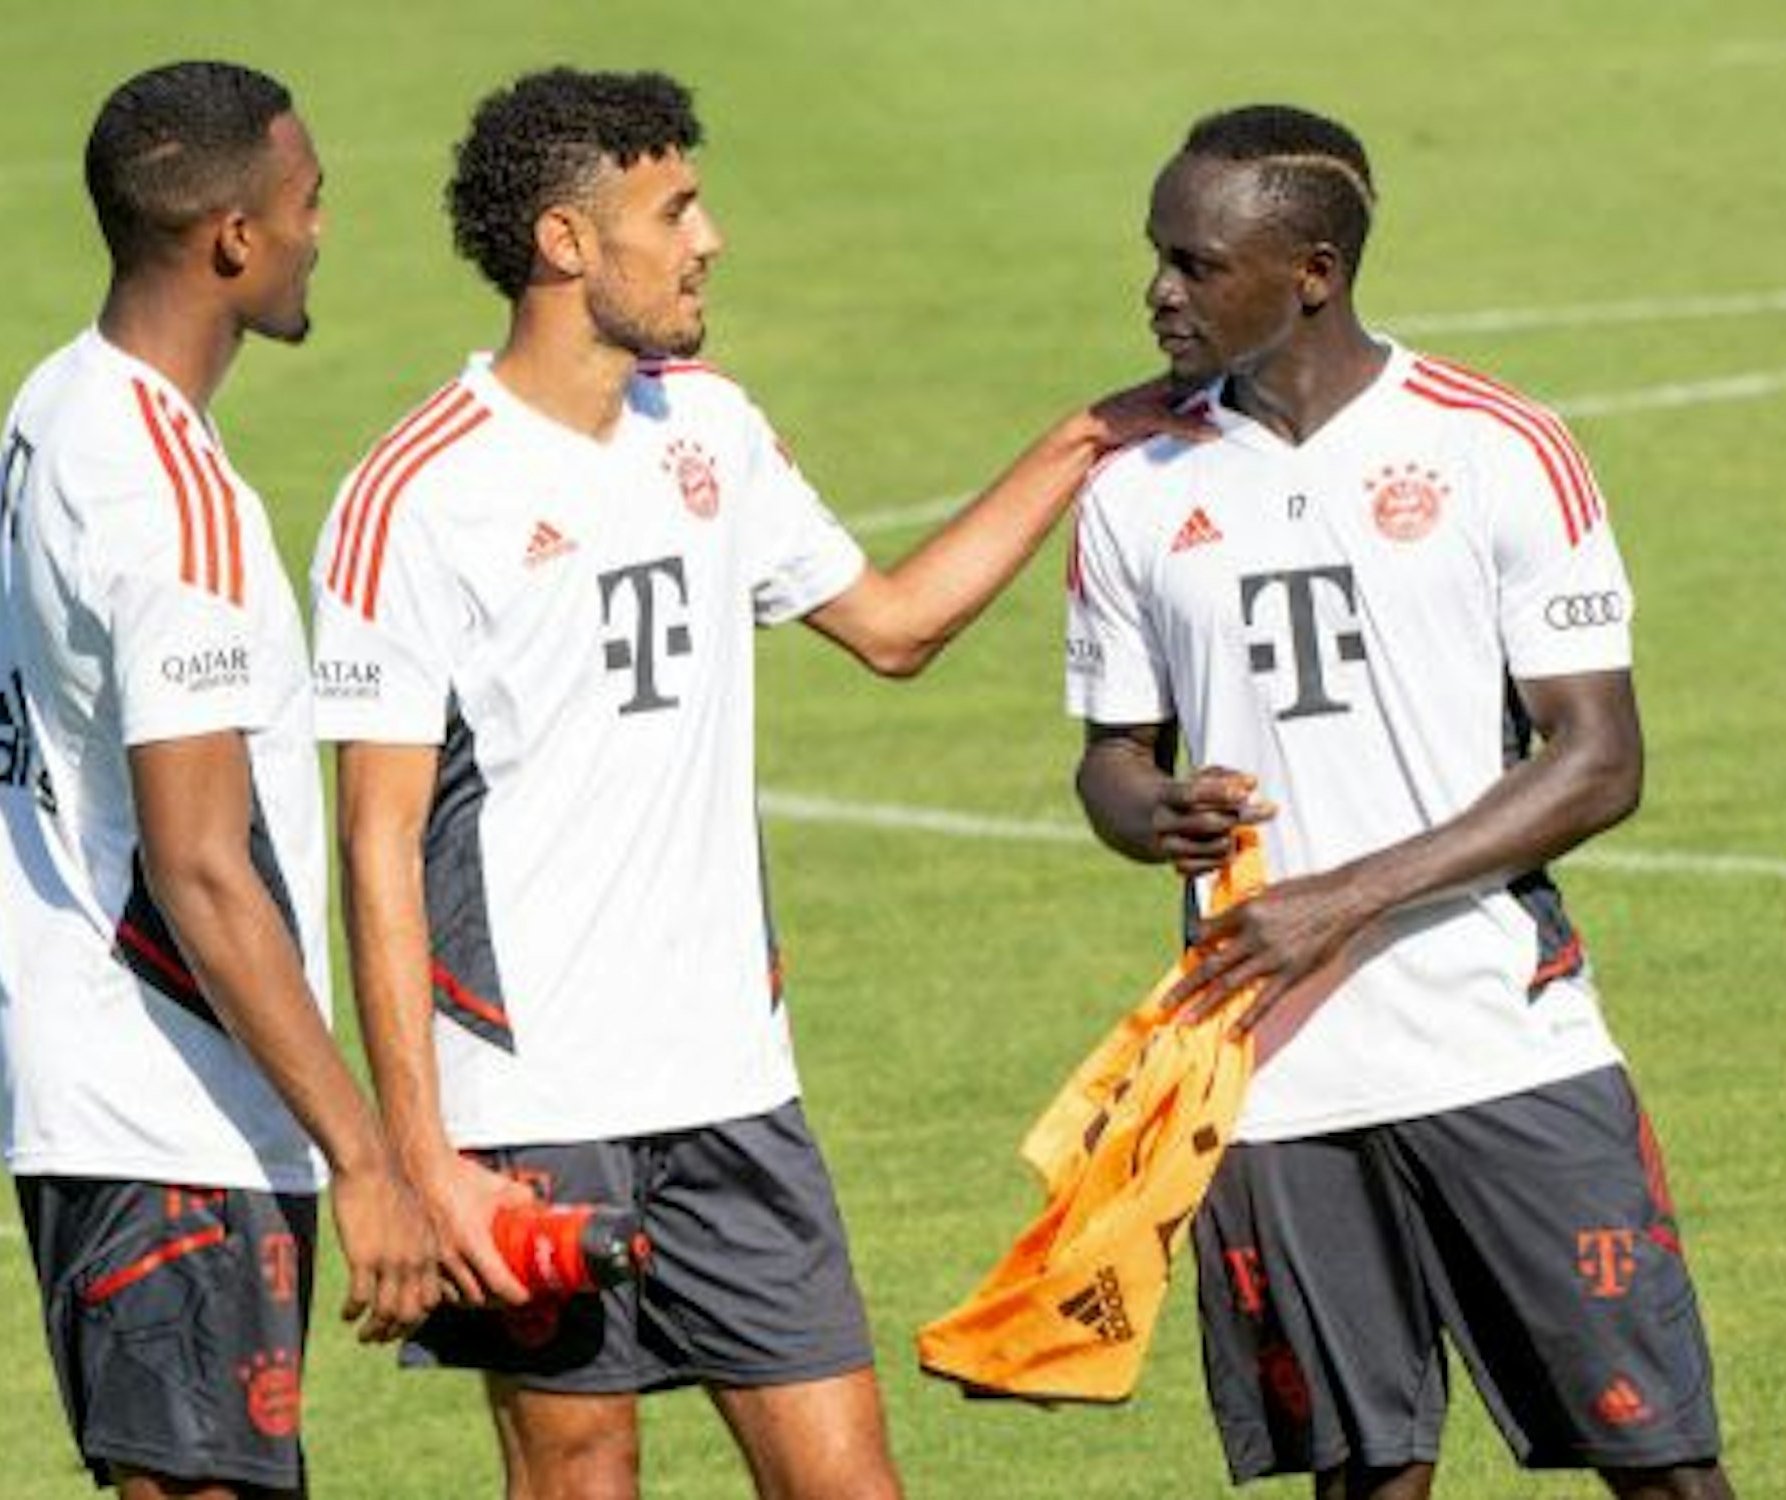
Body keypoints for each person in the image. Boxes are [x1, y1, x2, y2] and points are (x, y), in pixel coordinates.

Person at [309, 65, 1182, 1500]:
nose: (709, 239)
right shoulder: (415, 492)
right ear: (567, 243)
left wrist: (1088, 439)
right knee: (581, 1480)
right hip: (533, 1107)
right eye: (675, 209)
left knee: (850, 1486)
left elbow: (894, 627)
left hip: (732, 1083)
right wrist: (421, 1157)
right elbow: (377, 843)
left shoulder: (706, 423)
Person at [1064, 104, 1737, 1500]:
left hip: (1499, 1042)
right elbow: (1108, 760)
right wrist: (1149, 809)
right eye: (1157, 256)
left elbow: (1598, 759)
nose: (1160, 291)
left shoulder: (1499, 447)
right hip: (1266, 1082)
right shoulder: (1132, 487)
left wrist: (1347, 897)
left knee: (1662, 1464)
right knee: (1365, 1483)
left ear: (1311, 271)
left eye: (1196, 262)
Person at [0, 60, 440, 1497]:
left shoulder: (57, 402)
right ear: (231, 236)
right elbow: (200, 863)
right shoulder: (171, 501)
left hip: (95, 1087)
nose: (318, 231)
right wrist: (363, 1155)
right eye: (307, 203)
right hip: (170, 1114)